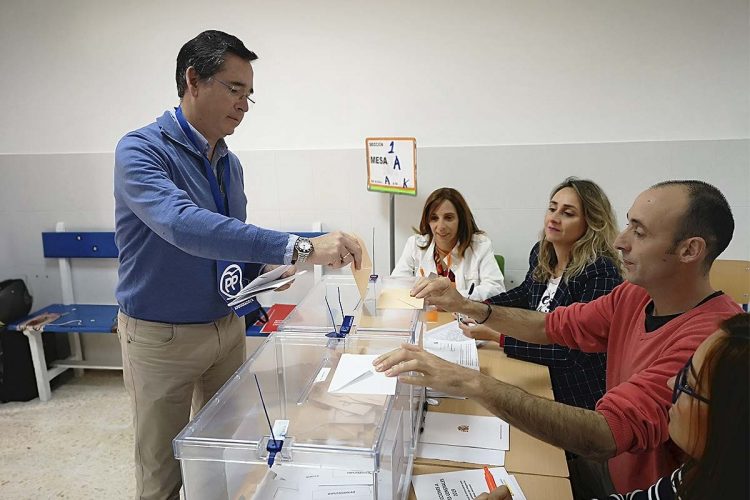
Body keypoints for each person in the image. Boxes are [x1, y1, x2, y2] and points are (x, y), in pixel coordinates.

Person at [374, 180, 742, 496]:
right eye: (628, 225)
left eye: (640, 232)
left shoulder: (712, 340)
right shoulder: (635, 295)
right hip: (608, 467)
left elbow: (606, 433)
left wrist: (467, 380)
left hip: (637, 487)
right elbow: (552, 326)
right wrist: (470, 307)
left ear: (690, 250)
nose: (620, 241)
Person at [114, 30, 362, 500]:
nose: (244, 105)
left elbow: (229, 242)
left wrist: (264, 276)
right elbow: (183, 226)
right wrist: (301, 247)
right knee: (162, 470)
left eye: (249, 95)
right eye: (234, 89)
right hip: (161, 336)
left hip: (226, 327)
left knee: (223, 453)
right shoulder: (140, 151)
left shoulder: (229, 164)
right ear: (193, 80)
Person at [475, 312, 750, 500]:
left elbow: (607, 431)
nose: (670, 387)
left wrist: (478, 386)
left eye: (688, 385)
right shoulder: (694, 478)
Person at [464, 178, 622, 412]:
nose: (554, 218)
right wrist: (477, 307)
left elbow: (571, 354)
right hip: (538, 371)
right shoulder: (542, 252)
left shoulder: (600, 272)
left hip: (575, 394)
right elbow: (526, 294)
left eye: (567, 213)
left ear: (591, 223)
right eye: (552, 208)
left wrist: (499, 336)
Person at [391, 187, 505, 301]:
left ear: (461, 219)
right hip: (427, 317)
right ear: (427, 221)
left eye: (448, 218)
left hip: (463, 317)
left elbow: (496, 290)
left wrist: (454, 298)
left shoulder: (480, 245)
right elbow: (395, 286)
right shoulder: (414, 245)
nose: (441, 227)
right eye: (434, 218)